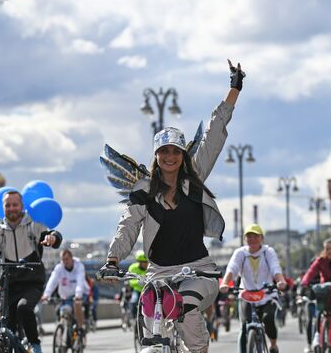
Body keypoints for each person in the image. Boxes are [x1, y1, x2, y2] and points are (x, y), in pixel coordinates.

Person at [98, 59, 245, 353]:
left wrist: (234, 88)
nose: (170, 156)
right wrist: (113, 260)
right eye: (163, 151)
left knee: (185, 309)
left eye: (175, 151)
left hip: (198, 272)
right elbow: (128, 225)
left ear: (182, 155)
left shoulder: (194, 178)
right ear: (156, 156)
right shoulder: (144, 191)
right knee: (151, 330)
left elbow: (214, 134)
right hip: (158, 274)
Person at [0, 190, 62, 353]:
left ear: (22, 206)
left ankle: (35, 345)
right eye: (8, 205)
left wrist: (52, 238)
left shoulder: (33, 227)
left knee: (23, 308)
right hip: (9, 284)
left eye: (15, 205)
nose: (11, 208)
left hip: (31, 282)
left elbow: (53, 235)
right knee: (6, 325)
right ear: (3, 208)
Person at [219, 224, 287, 353]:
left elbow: (275, 268)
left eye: (256, 236)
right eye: (249, 236)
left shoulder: (268, 252)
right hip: (247, 295)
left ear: (262, 238)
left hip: (266, 295)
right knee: (244, 326)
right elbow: (232, 268)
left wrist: (280, 281)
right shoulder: (240, 253)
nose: (252, 239)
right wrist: (225, 283)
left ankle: (273, 344)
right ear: (245, 239)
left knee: (268, 318)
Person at [42, 249, 89, 335]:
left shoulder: (79, 266)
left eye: (67, 259)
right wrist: (46, 294)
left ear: (71, 258)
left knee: (77, 304)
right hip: (65, 296)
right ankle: (61, 332)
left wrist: (78, 294)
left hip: (80, 293)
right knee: (60, 310)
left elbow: (80, 281)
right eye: (63, 260)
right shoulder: (59, 268)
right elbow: (52, 281)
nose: (65, 262)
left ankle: (80, 329)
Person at [127, 250, 148, 318]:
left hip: (148, 291)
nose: (145, 264)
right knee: (133, 302)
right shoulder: (133, 268)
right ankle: (134, 318)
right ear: (139, 262)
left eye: (146, 262)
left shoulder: (150, 268)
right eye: (143, 262)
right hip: (137, 290)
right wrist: (138, 282)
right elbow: (130, 281)